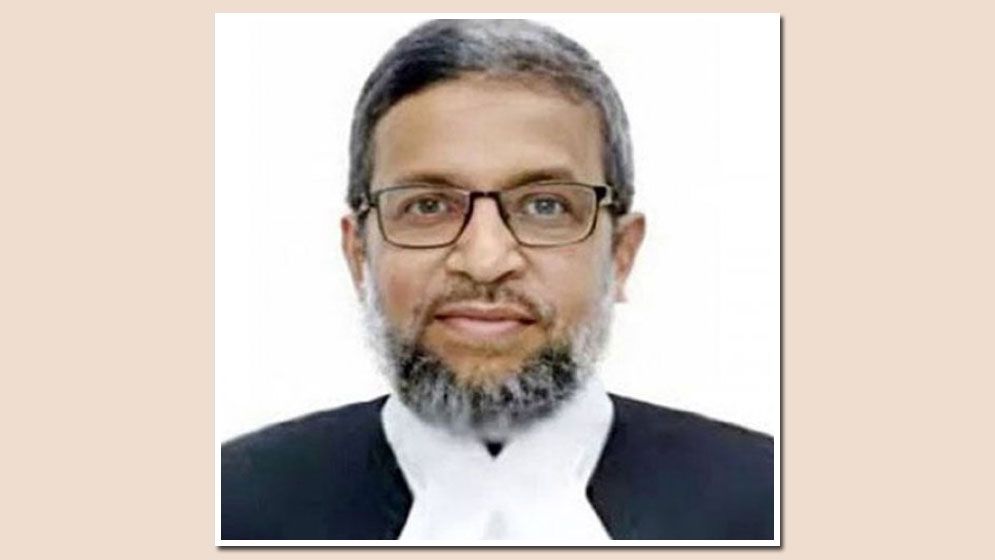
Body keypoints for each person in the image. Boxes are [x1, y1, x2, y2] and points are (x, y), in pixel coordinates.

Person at [221, 19, 774, 541]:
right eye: (429, 205)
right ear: (358, 253)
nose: (485, 260)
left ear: (621, 254)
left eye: (545, 205)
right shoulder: (227, 505)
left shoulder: (772, 501)